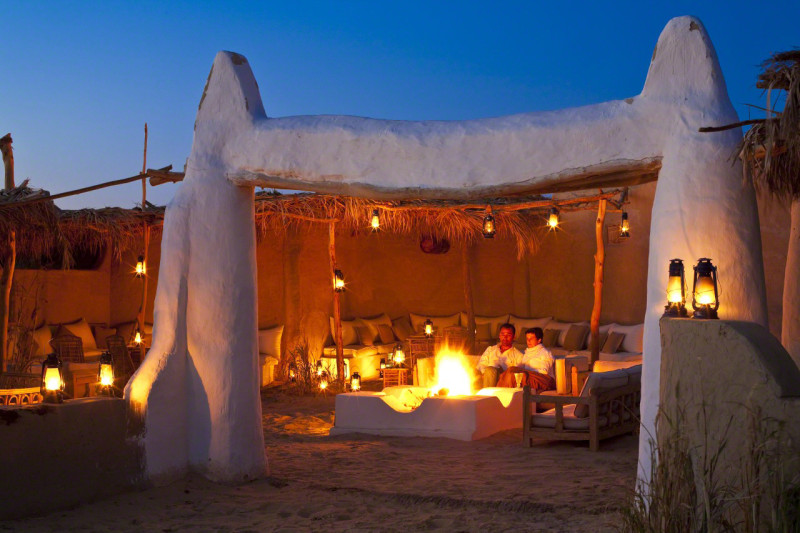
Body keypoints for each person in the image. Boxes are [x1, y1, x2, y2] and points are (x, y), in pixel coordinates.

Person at [476, 323, 523, 388]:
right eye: (502, 334)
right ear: (499, 335)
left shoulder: (518, 355)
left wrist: (500, 374)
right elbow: (481, 365)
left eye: (508, 335)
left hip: (503, 382)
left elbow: (516, 375)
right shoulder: (490, 349)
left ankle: (488, 396)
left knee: (490, 370)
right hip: (486, 377)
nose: (505, 337)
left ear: (513, 337)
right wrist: (486, 373)